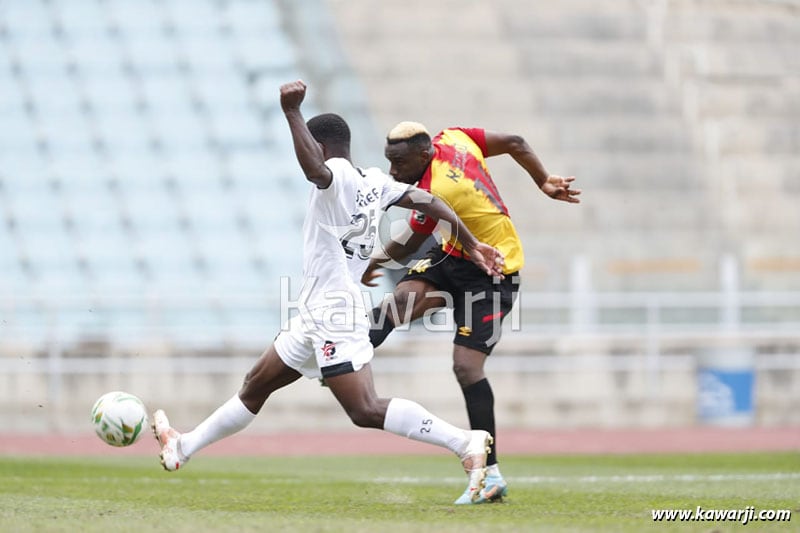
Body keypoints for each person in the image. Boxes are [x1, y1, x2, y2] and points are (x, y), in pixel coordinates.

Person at [151, 80, 508, 505]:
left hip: (334, 309)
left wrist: (291, 112)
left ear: (318, 146)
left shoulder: (334, 173)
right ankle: (183, 447)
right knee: (255, 385)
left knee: (364, 409)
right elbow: (431, 202)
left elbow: (315, 172)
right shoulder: (374, 180)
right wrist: (472, 243)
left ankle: (465, 442)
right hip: (315, 310)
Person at [363, 121, 581, 503]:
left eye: (400, 163)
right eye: (389, 161)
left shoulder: (437, 189)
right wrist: (543, 180)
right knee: (397, 304)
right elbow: (515, 141)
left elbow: (412, 239)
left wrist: (375, 261)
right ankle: (344, 361)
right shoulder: (454, 137)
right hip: (454, 254)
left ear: (424, 154)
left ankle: (491, 474)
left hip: (494, 271)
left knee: (466, 367)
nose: (393, 172)